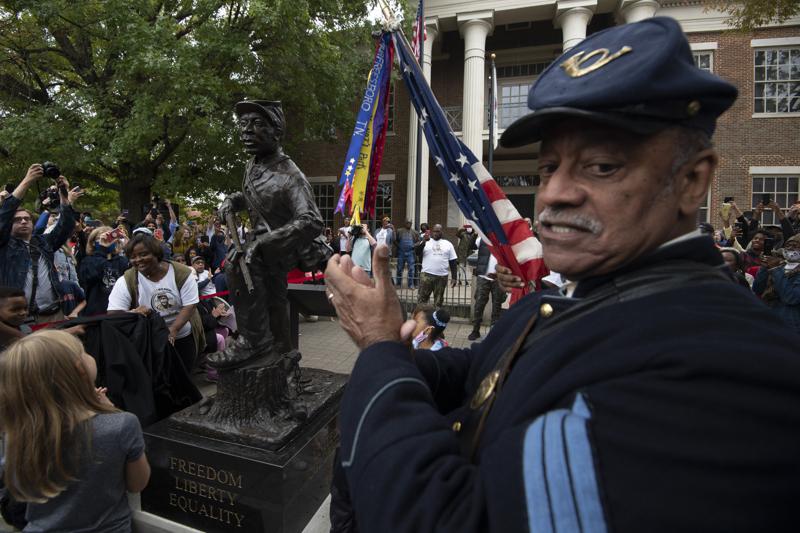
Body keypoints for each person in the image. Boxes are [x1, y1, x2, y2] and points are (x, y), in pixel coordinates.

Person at [323, 18, 800, 532]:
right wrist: (400, 355)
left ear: (691, 181)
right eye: (549, 167)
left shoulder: (730, 370)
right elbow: (482, 369)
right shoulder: (567, 300)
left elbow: (444, 520)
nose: (553, 195)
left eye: (601, 167)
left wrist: (378, 350)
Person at [211, 99, 330, 369]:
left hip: (284, 244)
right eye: (243, 124)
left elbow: (311, 220)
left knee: (238, 265)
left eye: (257, 124)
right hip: (267, 246)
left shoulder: (291, 175)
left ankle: (252, 342)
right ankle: (284, 351)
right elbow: (260, 196)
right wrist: (234, 199)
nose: (247, 131)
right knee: (275, 299)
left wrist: (267, 242)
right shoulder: (254, 165)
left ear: (276, 131)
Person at [0, 330, 150, 531]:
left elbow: (20, 489)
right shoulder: (122, 424)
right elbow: (137, 483)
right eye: (84, 351)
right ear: (80, 369)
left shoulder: (18, 433)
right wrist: (112, 411)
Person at [107, 233, 202, 370]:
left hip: (182, 336)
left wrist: (173, 330)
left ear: (156, 253)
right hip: (149, 340)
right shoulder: (126, 281)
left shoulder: (182, 273)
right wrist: (133, 313)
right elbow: (113, 314)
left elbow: (190, 305)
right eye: (133, 257)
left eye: (143, 254)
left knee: (183, 378)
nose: (138, 260)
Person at [0, 164, 82, 324]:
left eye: (27, 219)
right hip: (17, 319)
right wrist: (28, 180)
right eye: (17, 220)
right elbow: (3, 216)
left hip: (52, 314)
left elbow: (66, 226)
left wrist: (63, 194)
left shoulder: (44, 243)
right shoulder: (4, 245)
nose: (23, 221)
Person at [753, 234, 800, 333]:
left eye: (795, 245)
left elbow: (791, 297)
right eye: (788, 245)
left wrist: (774, 269)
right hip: (770, 321)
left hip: (792, 326)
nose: (790, 248)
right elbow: (757, 289)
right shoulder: (779, 266)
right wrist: (764, 268)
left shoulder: (776, 268)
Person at [79, 226, 130, 316]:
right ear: (93, 243)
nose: (107, 240)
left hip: (119, 312)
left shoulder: (122, 261)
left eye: (110, 237)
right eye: (101, 238)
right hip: (95, 313)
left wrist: (129, 247)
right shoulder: (88, 261)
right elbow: (90, 277)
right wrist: (103, 250)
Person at [468, 237, 506, 341]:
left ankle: (493, 331)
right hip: (483, 277)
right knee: (479, 304)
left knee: (497, 304)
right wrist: (473, 233)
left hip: (498, 278)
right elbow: (471, 246)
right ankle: (475, 330)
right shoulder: (482, 238)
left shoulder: (503, 239)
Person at [416, 224, 457, 308]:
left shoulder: (448, 244)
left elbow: (453, 261)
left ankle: (435, 319)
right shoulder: (426, 241)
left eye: (438, 231)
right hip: (426, 275)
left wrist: (454, 277)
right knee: (422, 300)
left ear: (441, 232)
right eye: (434, 231)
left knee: (438, 301)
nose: (435, 233)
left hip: (441, 277)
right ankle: (420, 319)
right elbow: (417, 252)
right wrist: (424, 241)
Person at [394, 220, 419, 288]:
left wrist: (414, 245)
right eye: (407, 223)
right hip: (401, 253)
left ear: (411, 224)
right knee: (399, 268)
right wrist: (399, 246)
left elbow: (418, 241)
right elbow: (395, 240)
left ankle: (410, 284)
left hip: (410, 253)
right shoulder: (399, 231)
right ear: (404, 223)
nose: (409, 224)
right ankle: (398, 284)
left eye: (410, 223)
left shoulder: (415, 232)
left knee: (411, 269)